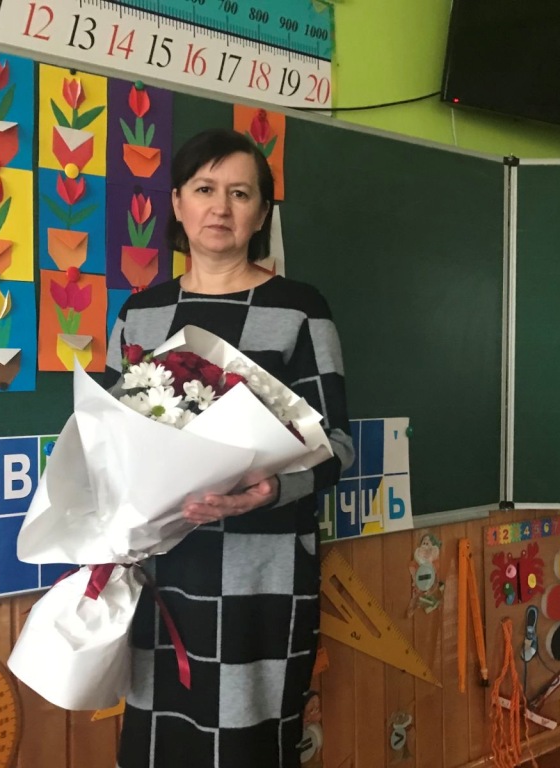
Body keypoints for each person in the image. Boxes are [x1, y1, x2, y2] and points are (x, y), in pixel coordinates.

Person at [106, 128, 354, 768]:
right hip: (162, 568)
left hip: (262, 572)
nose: (220, 208)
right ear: (177, 203)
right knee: (159, 740)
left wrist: (269, 491)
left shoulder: (300, 310)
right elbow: (109, 438)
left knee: (250, 745)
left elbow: (337, 446)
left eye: (240, 194)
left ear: (262, 213)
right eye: (204, 189)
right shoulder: (140, 313)